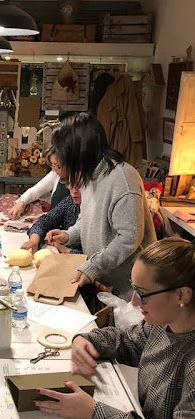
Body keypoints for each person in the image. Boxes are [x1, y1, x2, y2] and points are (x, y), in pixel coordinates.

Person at [34, 238, 195, 419]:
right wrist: (85, 340)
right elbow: (127, 340)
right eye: (134, 288)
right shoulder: (164, 324)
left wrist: (95, 414)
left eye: (143, 293)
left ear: (182, 296)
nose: (134, 301)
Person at [46, 112, 156, 300]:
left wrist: (94, 265)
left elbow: (128, 238)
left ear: (79, 151)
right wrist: (69, 235)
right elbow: (87, 219)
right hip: (105, 284)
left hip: (131, 290)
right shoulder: (90, 174)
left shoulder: (122, 179)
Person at [6, 151, 69, 219]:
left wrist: (49, 216)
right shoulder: (55, 174)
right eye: (52, 165)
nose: (53, 170)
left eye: (58, 166)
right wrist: (21, 203)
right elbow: (35, 191)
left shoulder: (76, 182)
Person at [21, 186, 82, 255]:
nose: (74, 191)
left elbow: (90, 256)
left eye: (80, 186)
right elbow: (45, 221)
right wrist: (33, 240)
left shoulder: (91, 210)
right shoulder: (70, 202)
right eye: (71, 186)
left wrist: (66, 250)